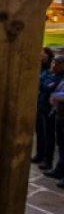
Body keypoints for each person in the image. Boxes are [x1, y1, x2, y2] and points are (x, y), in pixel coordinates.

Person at [32, 50, 62, 171]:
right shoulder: (48, 74)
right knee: (39, 133)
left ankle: (47, 160)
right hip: (41, 106)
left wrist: (42, 83)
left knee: (48, 136)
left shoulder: (60, 78)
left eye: (57, 64)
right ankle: (39, 155)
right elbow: (42, 83)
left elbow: (47, 87)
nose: (54, 65)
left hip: (50, 110)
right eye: (53, 63)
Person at [45, 55, 64, 188]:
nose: (53, 65)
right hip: (60, 114)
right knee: (62, 145)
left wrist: (54, 96)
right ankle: (59, 170)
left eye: (56, 64)